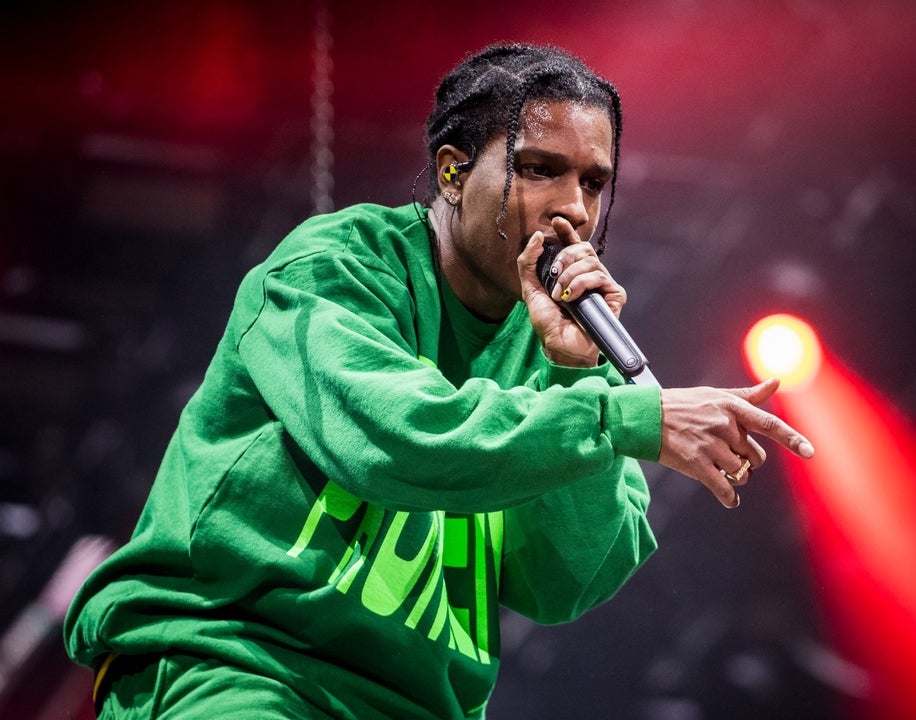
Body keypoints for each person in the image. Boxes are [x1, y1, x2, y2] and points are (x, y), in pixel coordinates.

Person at [63, 43, 814, 719]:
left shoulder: (564, 349)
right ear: (453, 172)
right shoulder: (336, 267)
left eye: (593, 182)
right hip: (243, 664)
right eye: (540, 169)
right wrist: (620, 418)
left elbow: (564, 584)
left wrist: (571, 373)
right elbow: (394, 441)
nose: (573, 209)